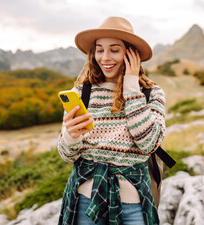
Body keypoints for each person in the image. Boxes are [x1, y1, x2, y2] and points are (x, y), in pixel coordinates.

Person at [57, 16, 166, 225]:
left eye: (114, 50)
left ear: (131, 53)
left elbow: (149, 144)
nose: (105, 57)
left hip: (133, 203)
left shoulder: (152, 94)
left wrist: (132, 86)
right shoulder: (81, 92)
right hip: (85, 201)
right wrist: (70, 136)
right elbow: (67, 155)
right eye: (99, 49)